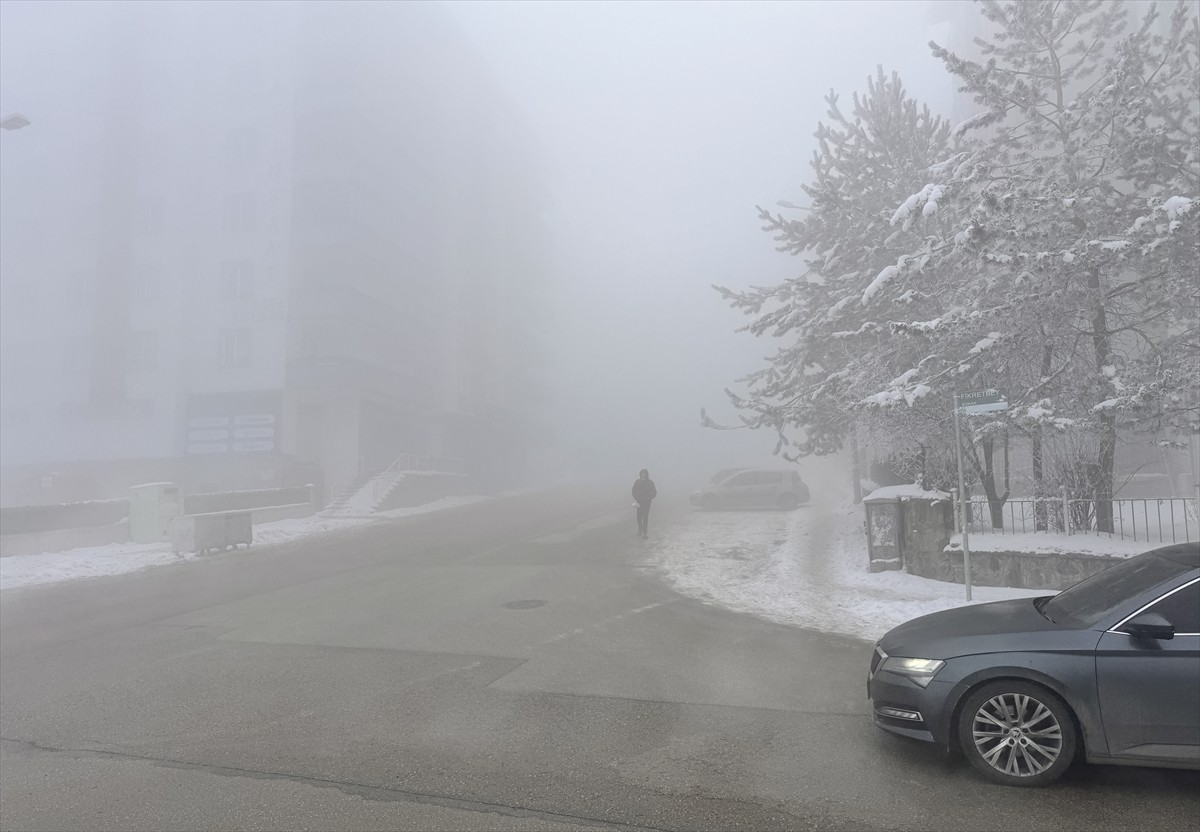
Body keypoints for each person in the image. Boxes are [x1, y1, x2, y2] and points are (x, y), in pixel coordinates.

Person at [631, 468, 657, 538]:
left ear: (647, 474)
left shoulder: (650, 482)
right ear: (640, 474)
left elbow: (654, 492)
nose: (643, 475)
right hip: (639, 502)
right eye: (642, 473)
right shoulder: (637, 482)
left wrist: (649, 498)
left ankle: (644, 533)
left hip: (647, 503)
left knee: (645, 517)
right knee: (639, 517)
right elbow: (633, 491)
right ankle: (640, 530)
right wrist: (636, 498)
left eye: (644, 473)